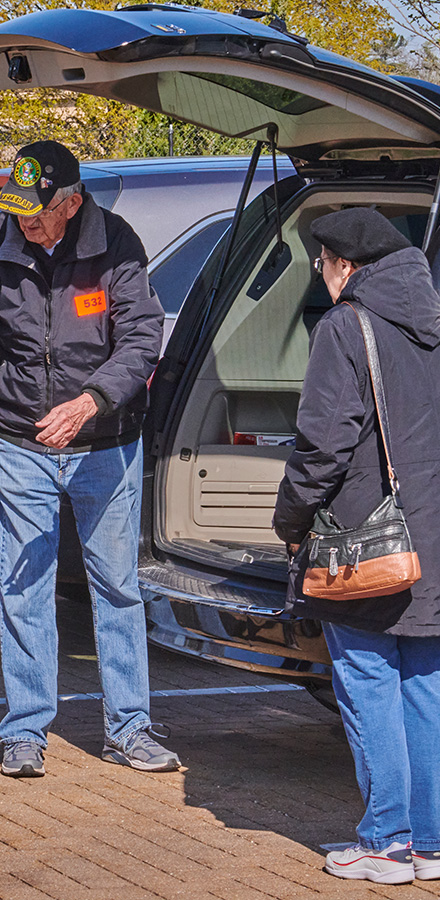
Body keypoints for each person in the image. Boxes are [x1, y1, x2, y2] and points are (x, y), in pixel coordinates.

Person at [0, 140, 178, 778]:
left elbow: (141, 338)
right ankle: (25, 730)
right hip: (17, 438)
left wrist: (92, 401)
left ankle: (129, 728)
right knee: (24, 587)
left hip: (103, 443)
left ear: (71, 201)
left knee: (117, 588)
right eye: (18, 208)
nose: (25, 221)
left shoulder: (116, 243)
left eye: (37, 209)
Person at [273, 207, 440, 885]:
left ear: (346, 265)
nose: (322, 274)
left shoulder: (347, 326)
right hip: (431, 538)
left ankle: (387, 841)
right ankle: (430, 843)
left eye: (322, 263)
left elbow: (322, 446)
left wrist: (290, 521)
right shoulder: (432, 321)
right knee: (426, 688)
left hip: (365, 543)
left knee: (368, 683)